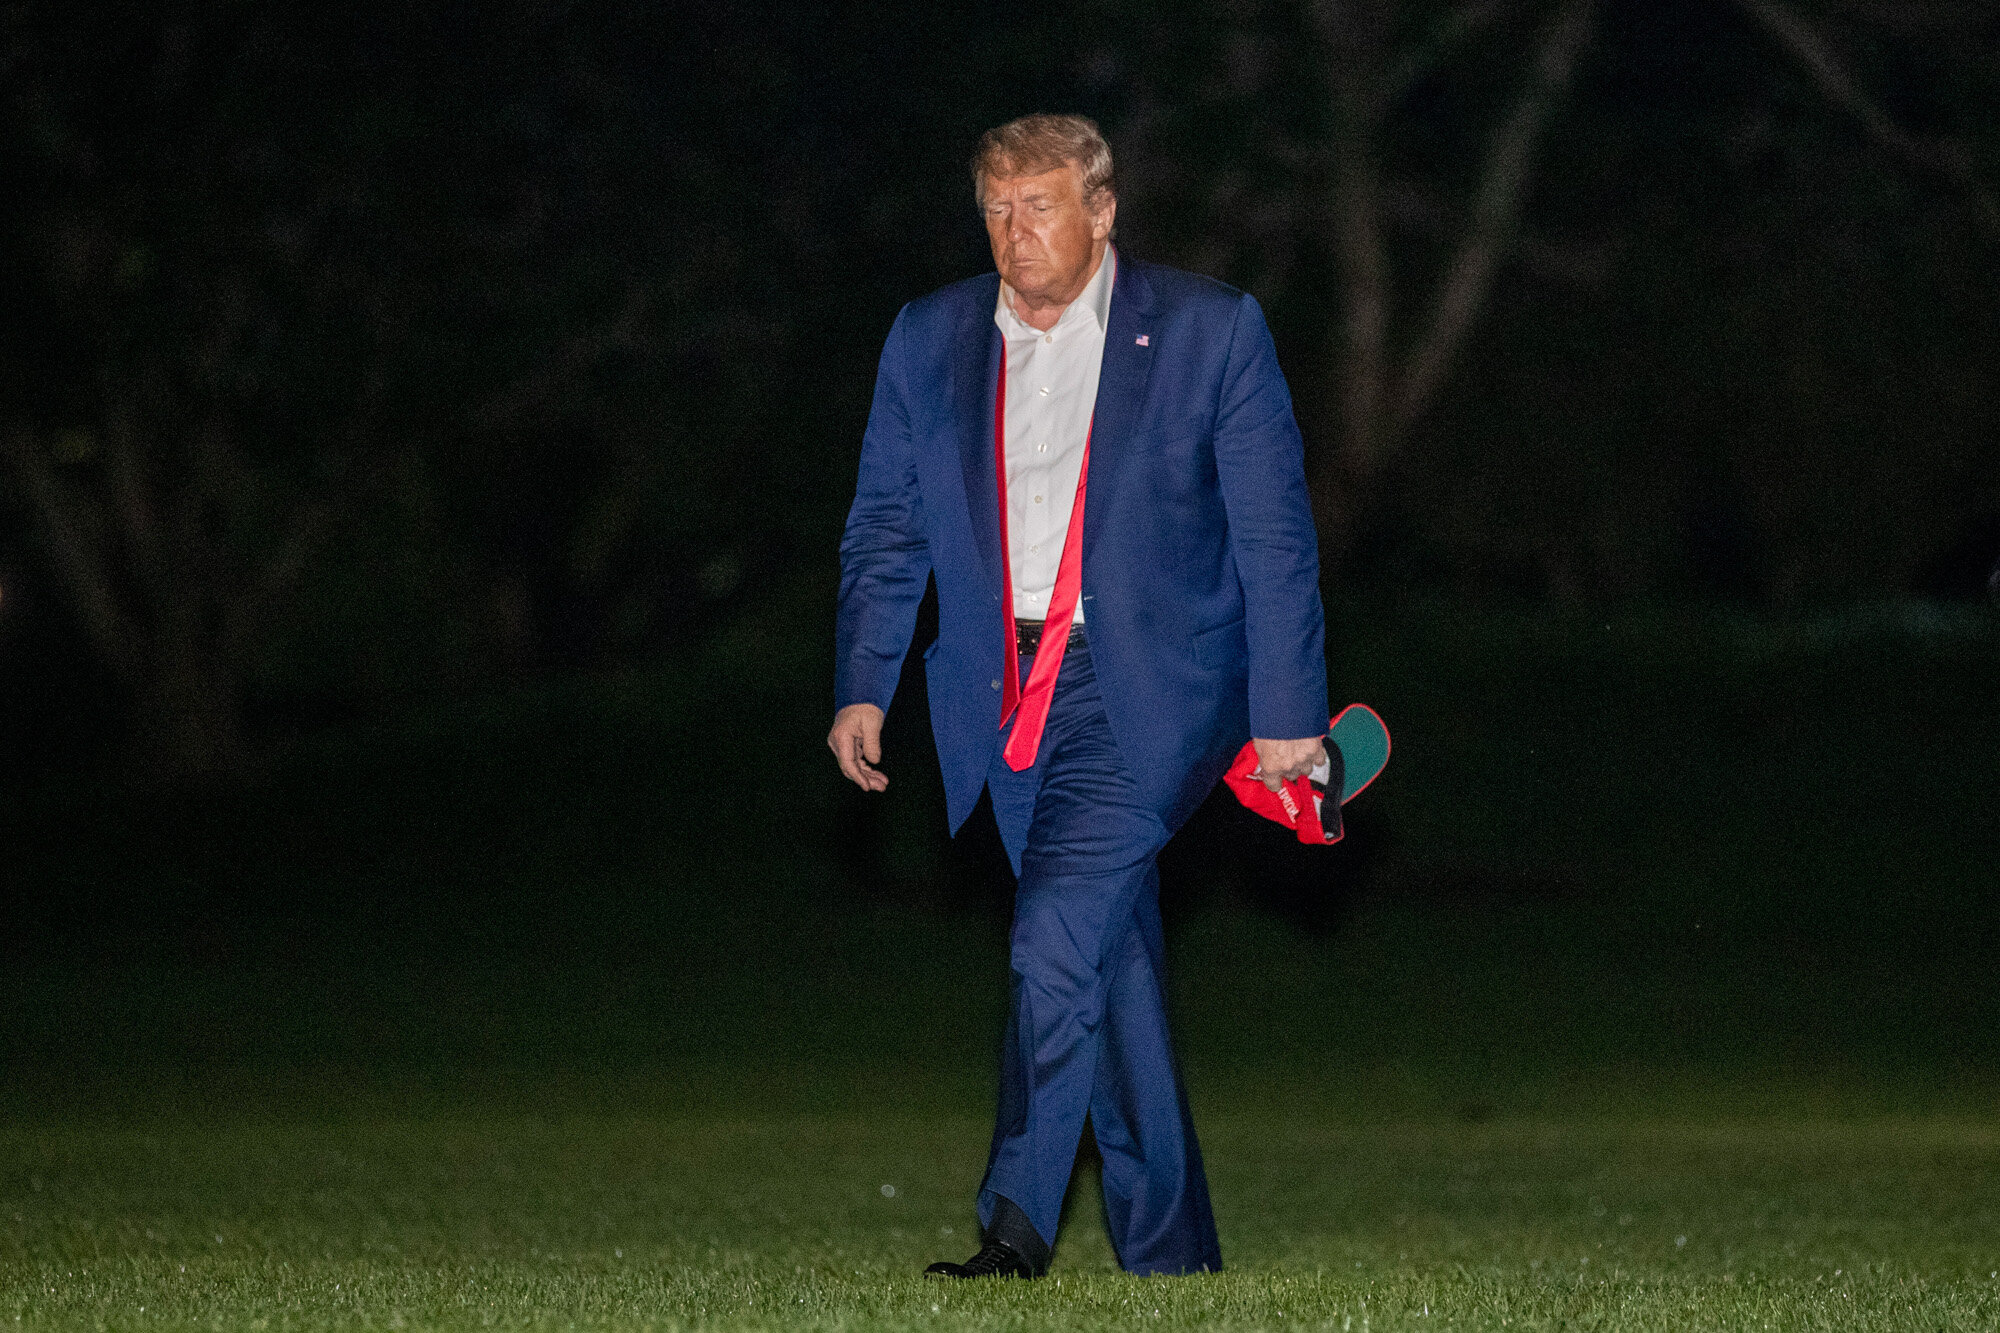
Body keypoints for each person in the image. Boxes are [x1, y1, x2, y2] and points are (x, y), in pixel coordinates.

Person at [828, 113, 1328, 1279]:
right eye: (996, 211)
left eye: (1039, 206)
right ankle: (1170, 1249)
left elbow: (1272, 536)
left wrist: (1287, 712)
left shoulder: (1209, 330)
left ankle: (1012, 1223)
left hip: (1144, 683)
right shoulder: (929, 337)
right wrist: (863, 680)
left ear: (1101, 210)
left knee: (1051, 937)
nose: (1015, 234)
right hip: (998, 689)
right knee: (1108, 966)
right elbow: (886, 525)